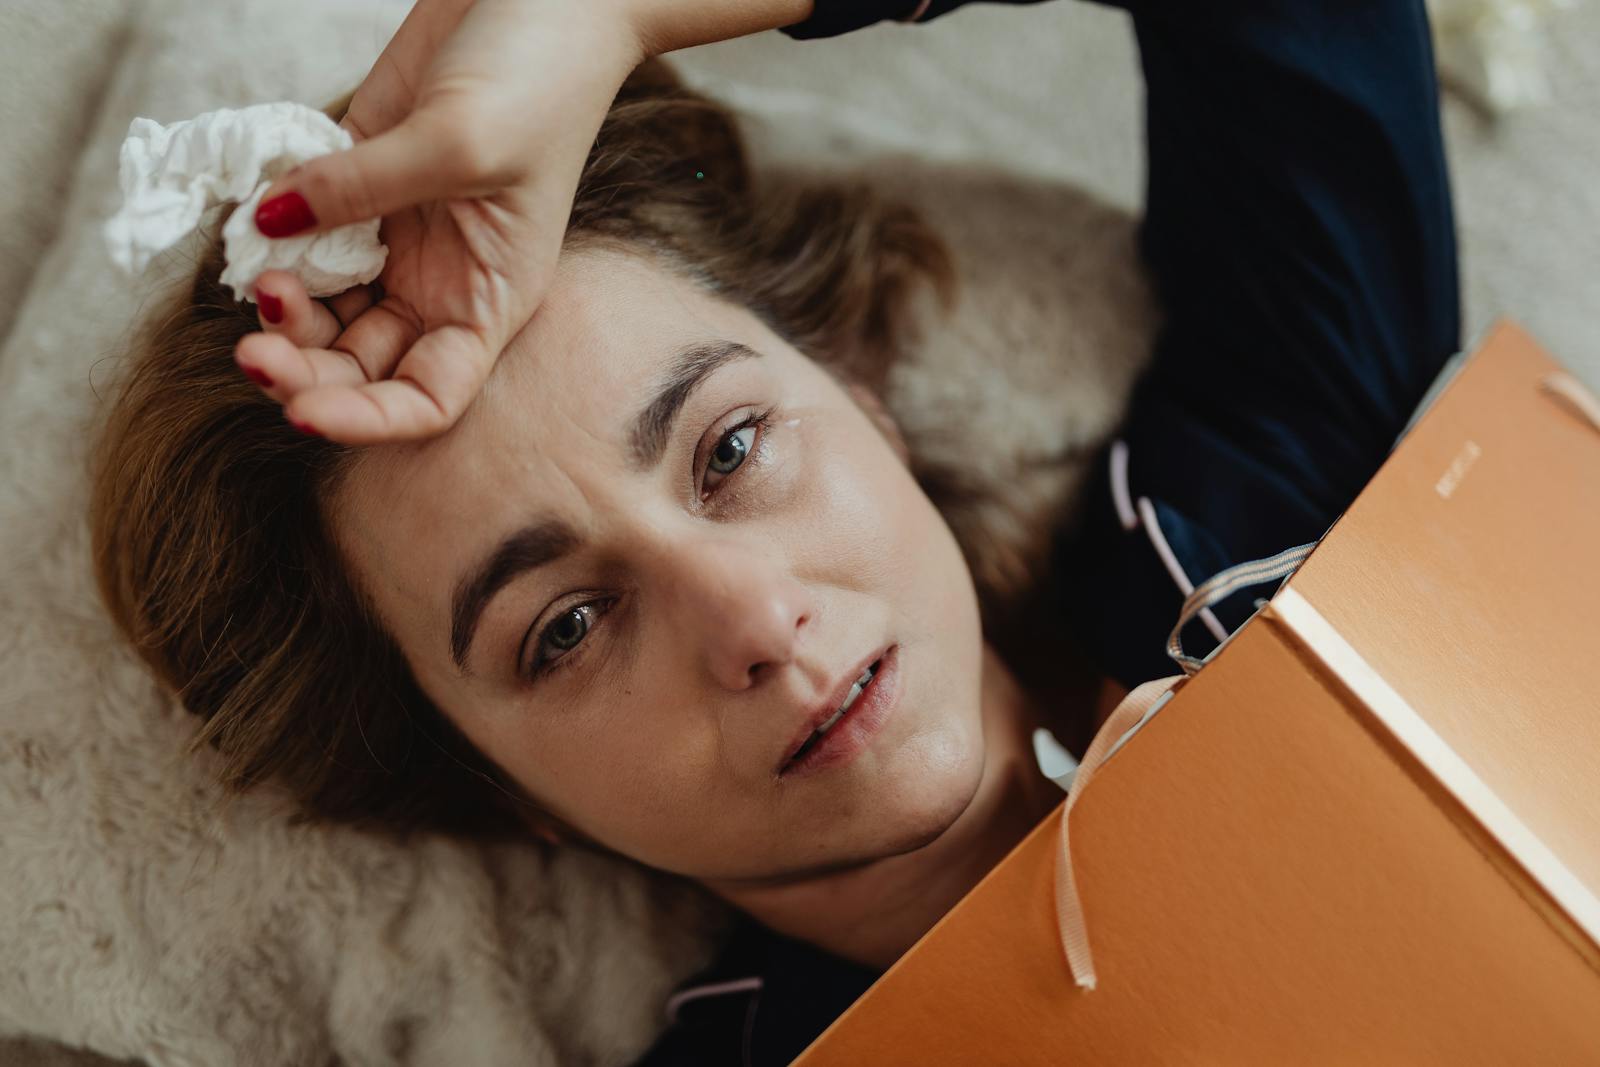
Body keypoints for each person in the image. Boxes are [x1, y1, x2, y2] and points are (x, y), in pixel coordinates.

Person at [86, 0, 1460, 1064]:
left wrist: (607, 13)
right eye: (564, 630)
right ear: (501, 791)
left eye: (730, 449)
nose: (750, 621)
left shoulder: (1269, 504)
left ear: (856, 385)